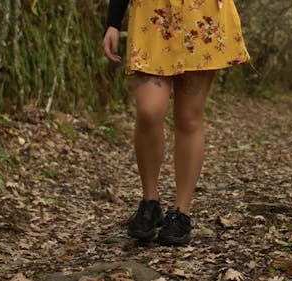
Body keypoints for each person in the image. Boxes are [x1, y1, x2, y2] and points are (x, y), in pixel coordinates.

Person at [103, 0, 250, 246]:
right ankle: (150, 204)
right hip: (152, 17)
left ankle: (181, 213)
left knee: (189, 118)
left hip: (202, 16)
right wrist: (112, 22)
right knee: (149, 112)